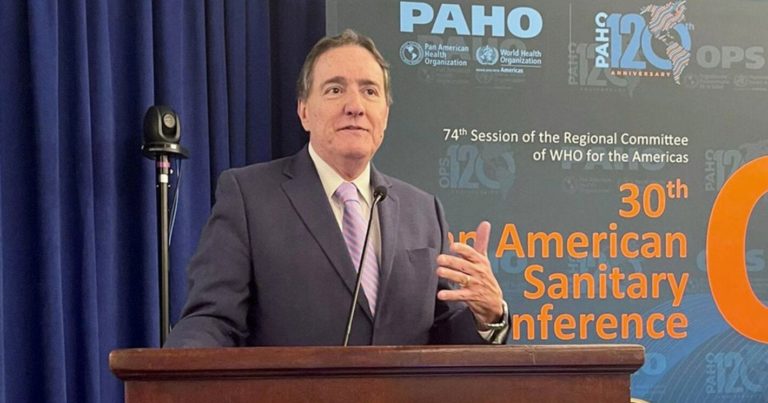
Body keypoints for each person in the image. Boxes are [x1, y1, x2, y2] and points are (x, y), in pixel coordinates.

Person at [165, 29, 508, 347]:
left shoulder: (424, 211)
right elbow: (213, 320)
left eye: (370, 91)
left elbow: (443, 332)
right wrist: (176, 373)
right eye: (335, 89)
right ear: (304, 112)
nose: (355, 107)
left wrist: (490, 316)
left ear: (385, 116)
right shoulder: (249, 197)